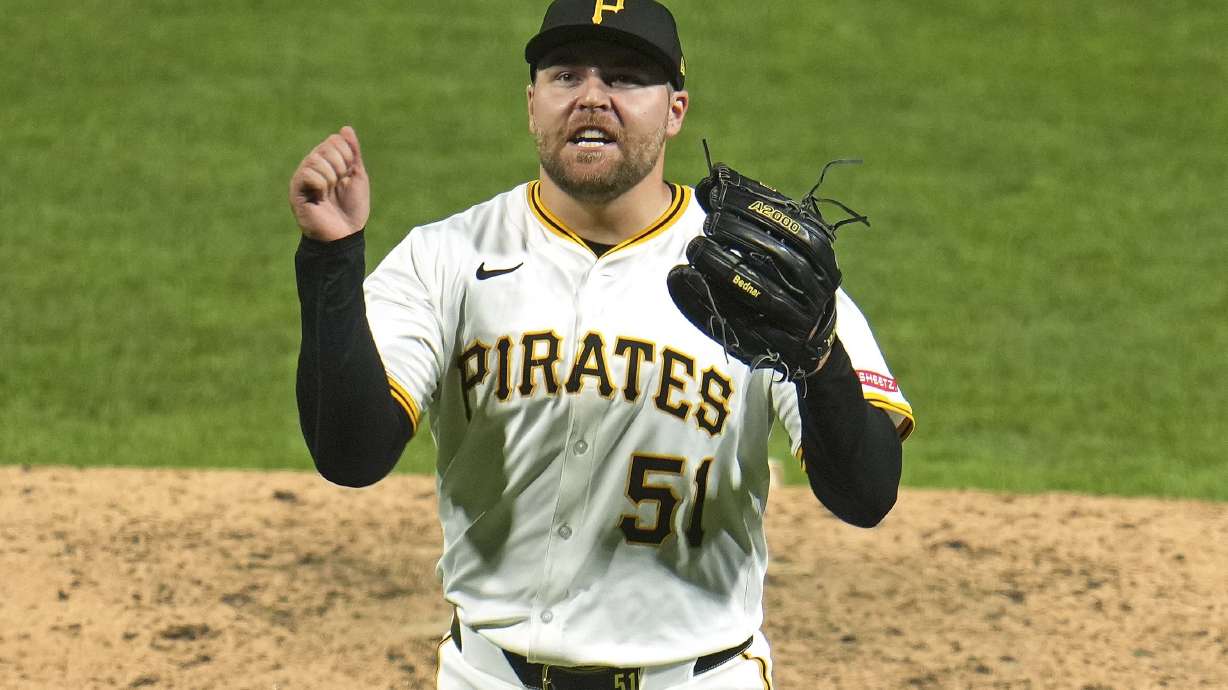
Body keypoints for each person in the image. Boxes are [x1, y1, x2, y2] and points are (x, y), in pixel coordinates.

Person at [288, 1, 914, 687]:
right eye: (565, 76)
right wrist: (333, 259)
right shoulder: (446, 257)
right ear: (532, 104)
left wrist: (819, 357)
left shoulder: (759, 274)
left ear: (675, 109)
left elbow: (867, 493)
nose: (592, 97)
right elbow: (350, 455)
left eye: (624, 78)